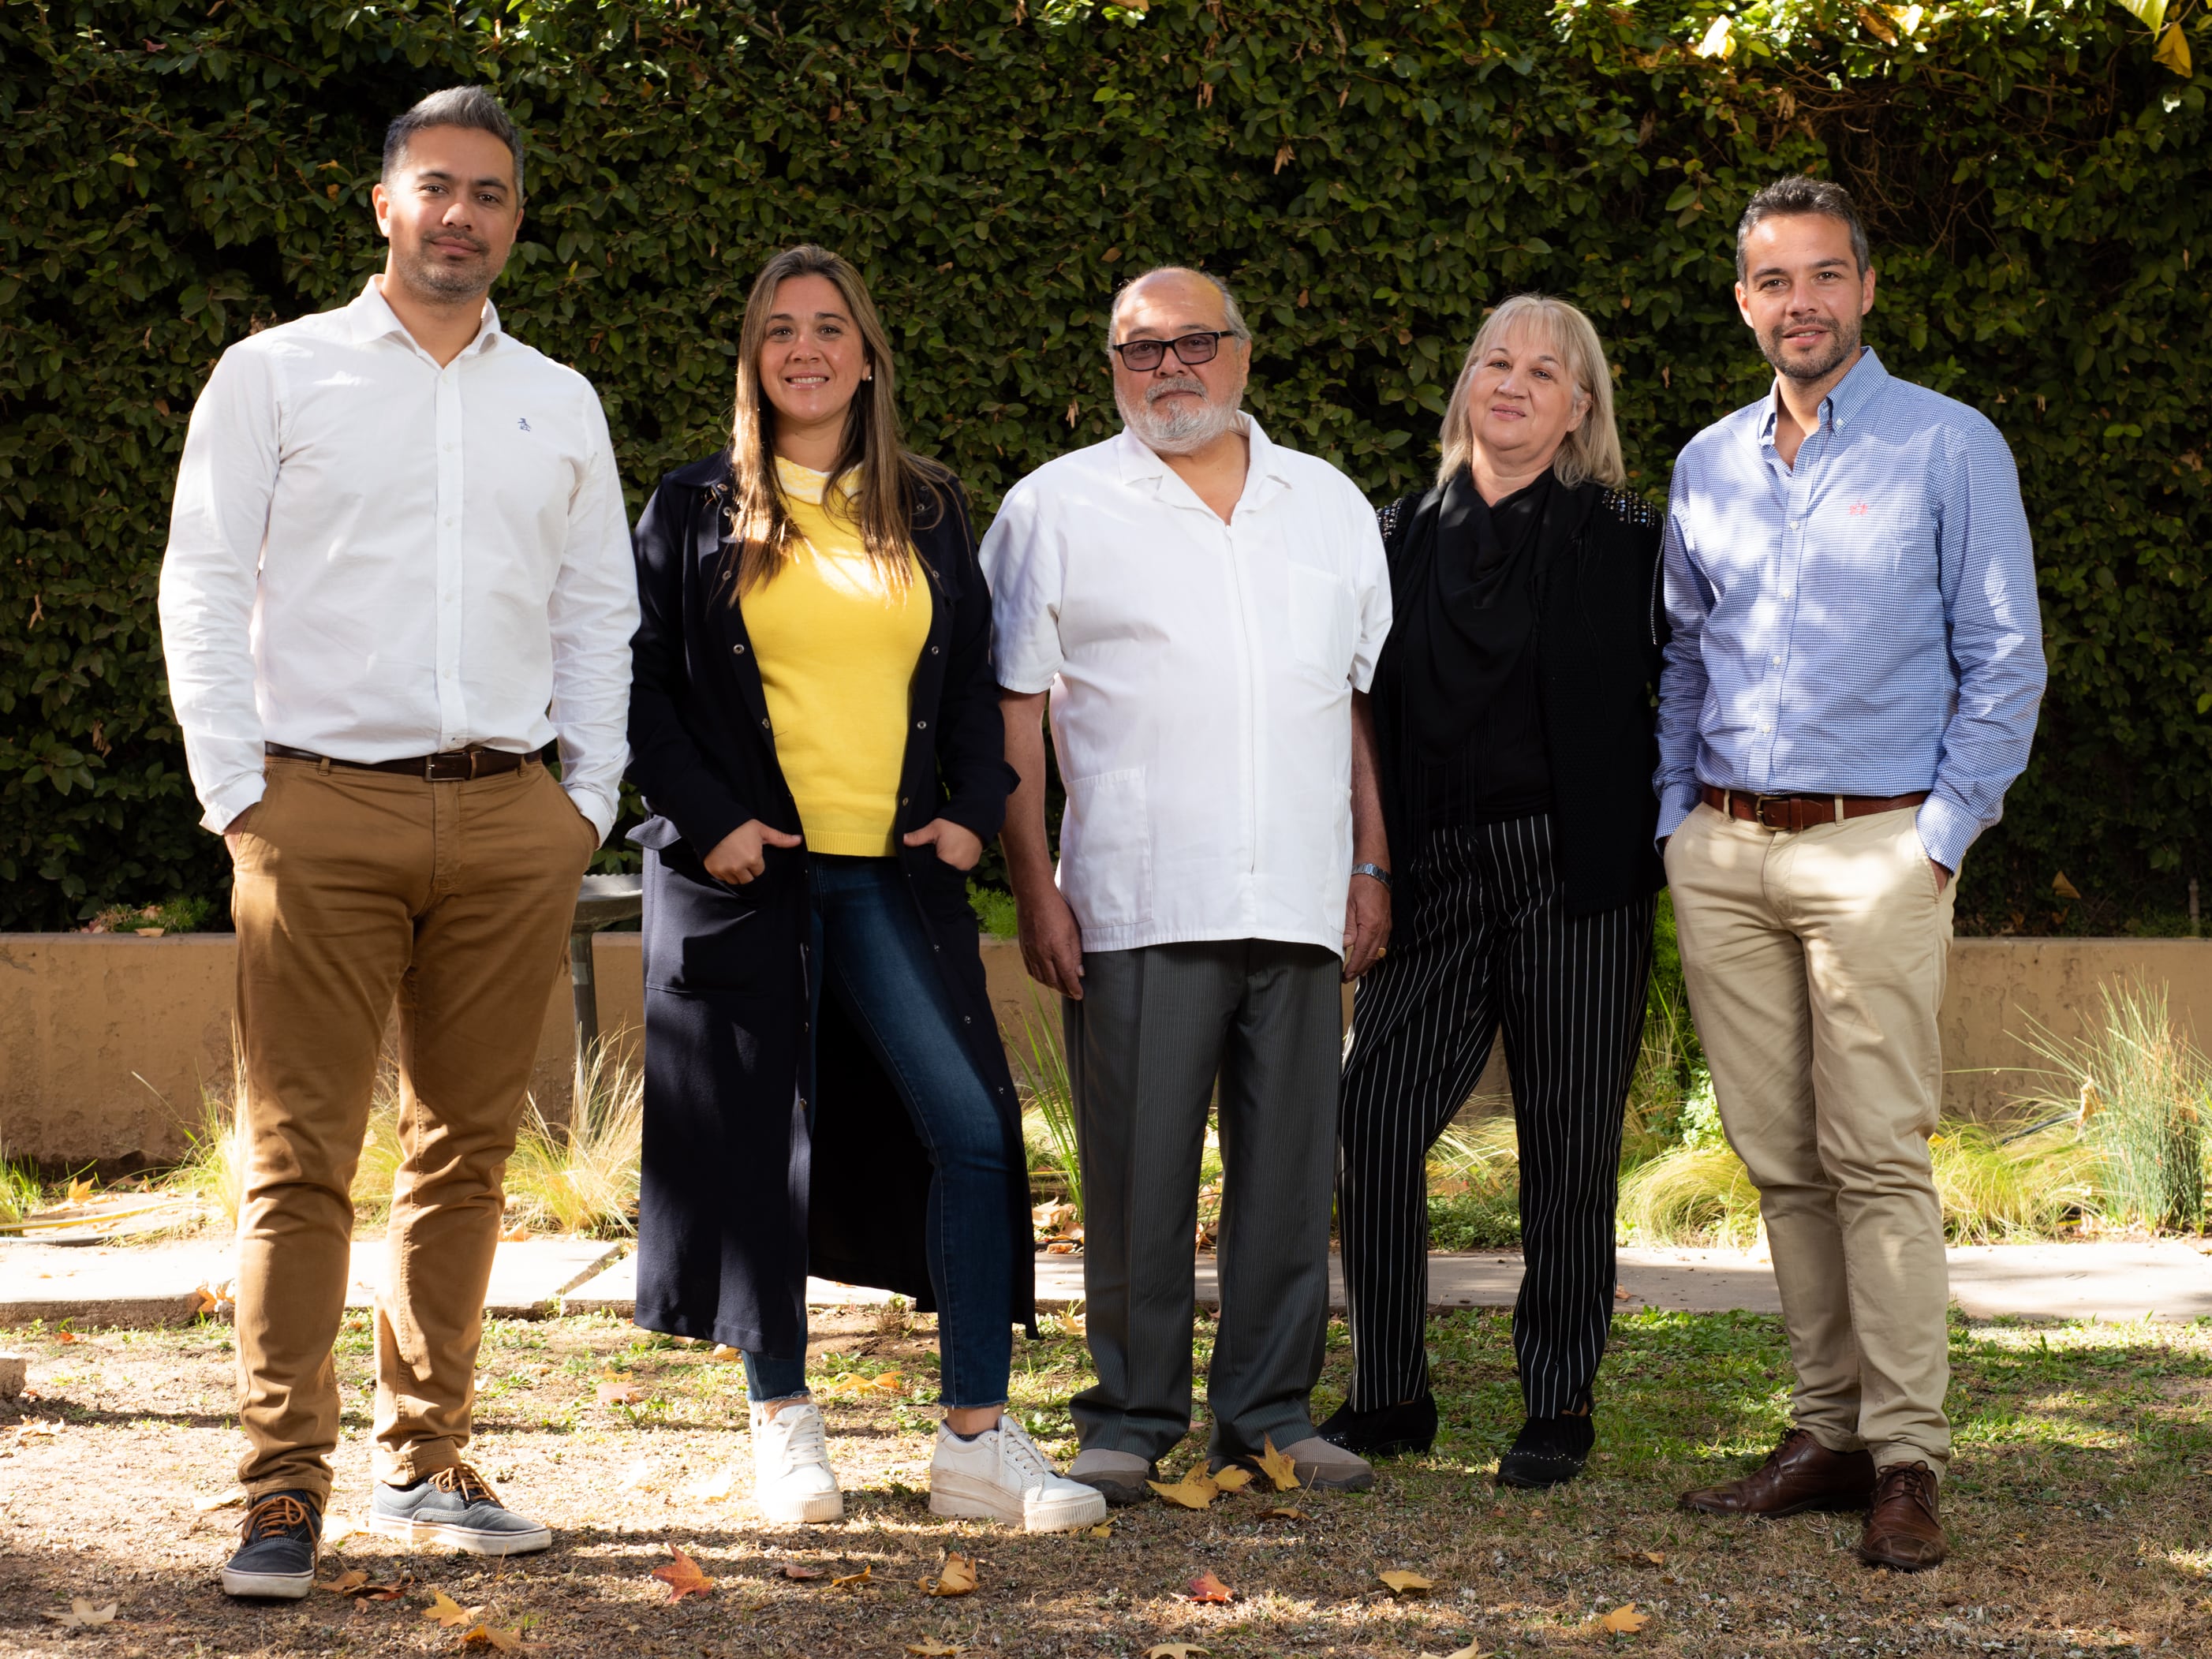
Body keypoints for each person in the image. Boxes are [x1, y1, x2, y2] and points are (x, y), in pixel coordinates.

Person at [158, 88, 637, 1597]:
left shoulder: (555, 397)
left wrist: (586, 797)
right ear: (382, 203)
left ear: (514, 218)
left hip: (513, 815)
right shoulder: (276, 373)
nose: (462, 216)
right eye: (436, 187)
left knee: (468, 1154)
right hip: (319, 808)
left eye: (490, 194)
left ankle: (425, 1457)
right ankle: (279, 1489)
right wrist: (241, 792)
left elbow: (597, 611)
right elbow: (203, 575)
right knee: (300, 1160)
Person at [625, 245, 1104, 1535]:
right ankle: (784, 1428)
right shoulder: (691, 508)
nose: (805, 349)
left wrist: (967, 811)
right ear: (753, 356)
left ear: (869, 355)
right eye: (779, 329)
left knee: (970, 1129)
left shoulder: (932, 511)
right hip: (746, 885)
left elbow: (969, 688)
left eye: (830, 327)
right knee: (758, 1147)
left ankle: (975, 1441)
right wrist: (711, 820)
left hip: (891, 878)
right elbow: (646, 696)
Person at [1658, 177, 2045, 1569]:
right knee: (1779, 1161)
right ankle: (1826, 1431)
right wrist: (1673, 822)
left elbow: (2006, 659)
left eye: (1825, 276)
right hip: (1725, 848)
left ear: (1865, 288)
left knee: (1875, 1157)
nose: (1799, 303)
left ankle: (1909, 1456)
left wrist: (1940, 839)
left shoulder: (1949, 447)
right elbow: (1686, 657)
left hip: (1880, 844)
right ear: (1746, 296)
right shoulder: (1707, 464)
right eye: (1773, 281)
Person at [984, 267, 1393, 1505]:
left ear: (1244, 356)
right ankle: (1132, 1413)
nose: (1170, 369)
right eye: (1139, 349)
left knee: (1286, 1180)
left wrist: (1373, 861)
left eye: (1194, 344)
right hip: (1137, 898)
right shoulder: (1053, 508)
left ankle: (1271, 1414)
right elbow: (1014, 719)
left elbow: (1357, 704)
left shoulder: (1327, 505)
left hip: (1305, 895)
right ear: (1112, 368)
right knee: (1136, 1175)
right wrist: (1035, 889)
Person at [1326, 296, 1665, 1487]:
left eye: (1545, 371)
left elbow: (1687, 683)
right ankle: (1387, 1399)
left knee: (1567, 1146)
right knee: (1370, 1119)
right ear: (1465, 384)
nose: (1513, 384)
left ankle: (1558, 1403)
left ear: (1581, 408)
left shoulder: (1627, 527)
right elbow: (1352, 710)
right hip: (1432, 874)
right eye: (1494, 362)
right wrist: (1365, 863)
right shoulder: (1390, 530)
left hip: (1576, 872)